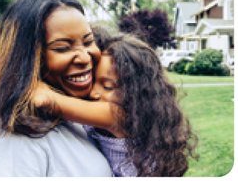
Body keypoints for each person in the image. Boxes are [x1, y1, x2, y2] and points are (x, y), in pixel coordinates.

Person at [0, 0, 112, 177]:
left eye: (88, 41)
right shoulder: (15, 134)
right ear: (27, 58)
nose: (85, 57)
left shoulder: (77, 110)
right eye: (62, 48)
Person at [33, 26, 199, 177]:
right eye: (93, 81)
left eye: (107, 86)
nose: (94, 92)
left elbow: (49, 100)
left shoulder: (120, 116)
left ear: (135, 95)